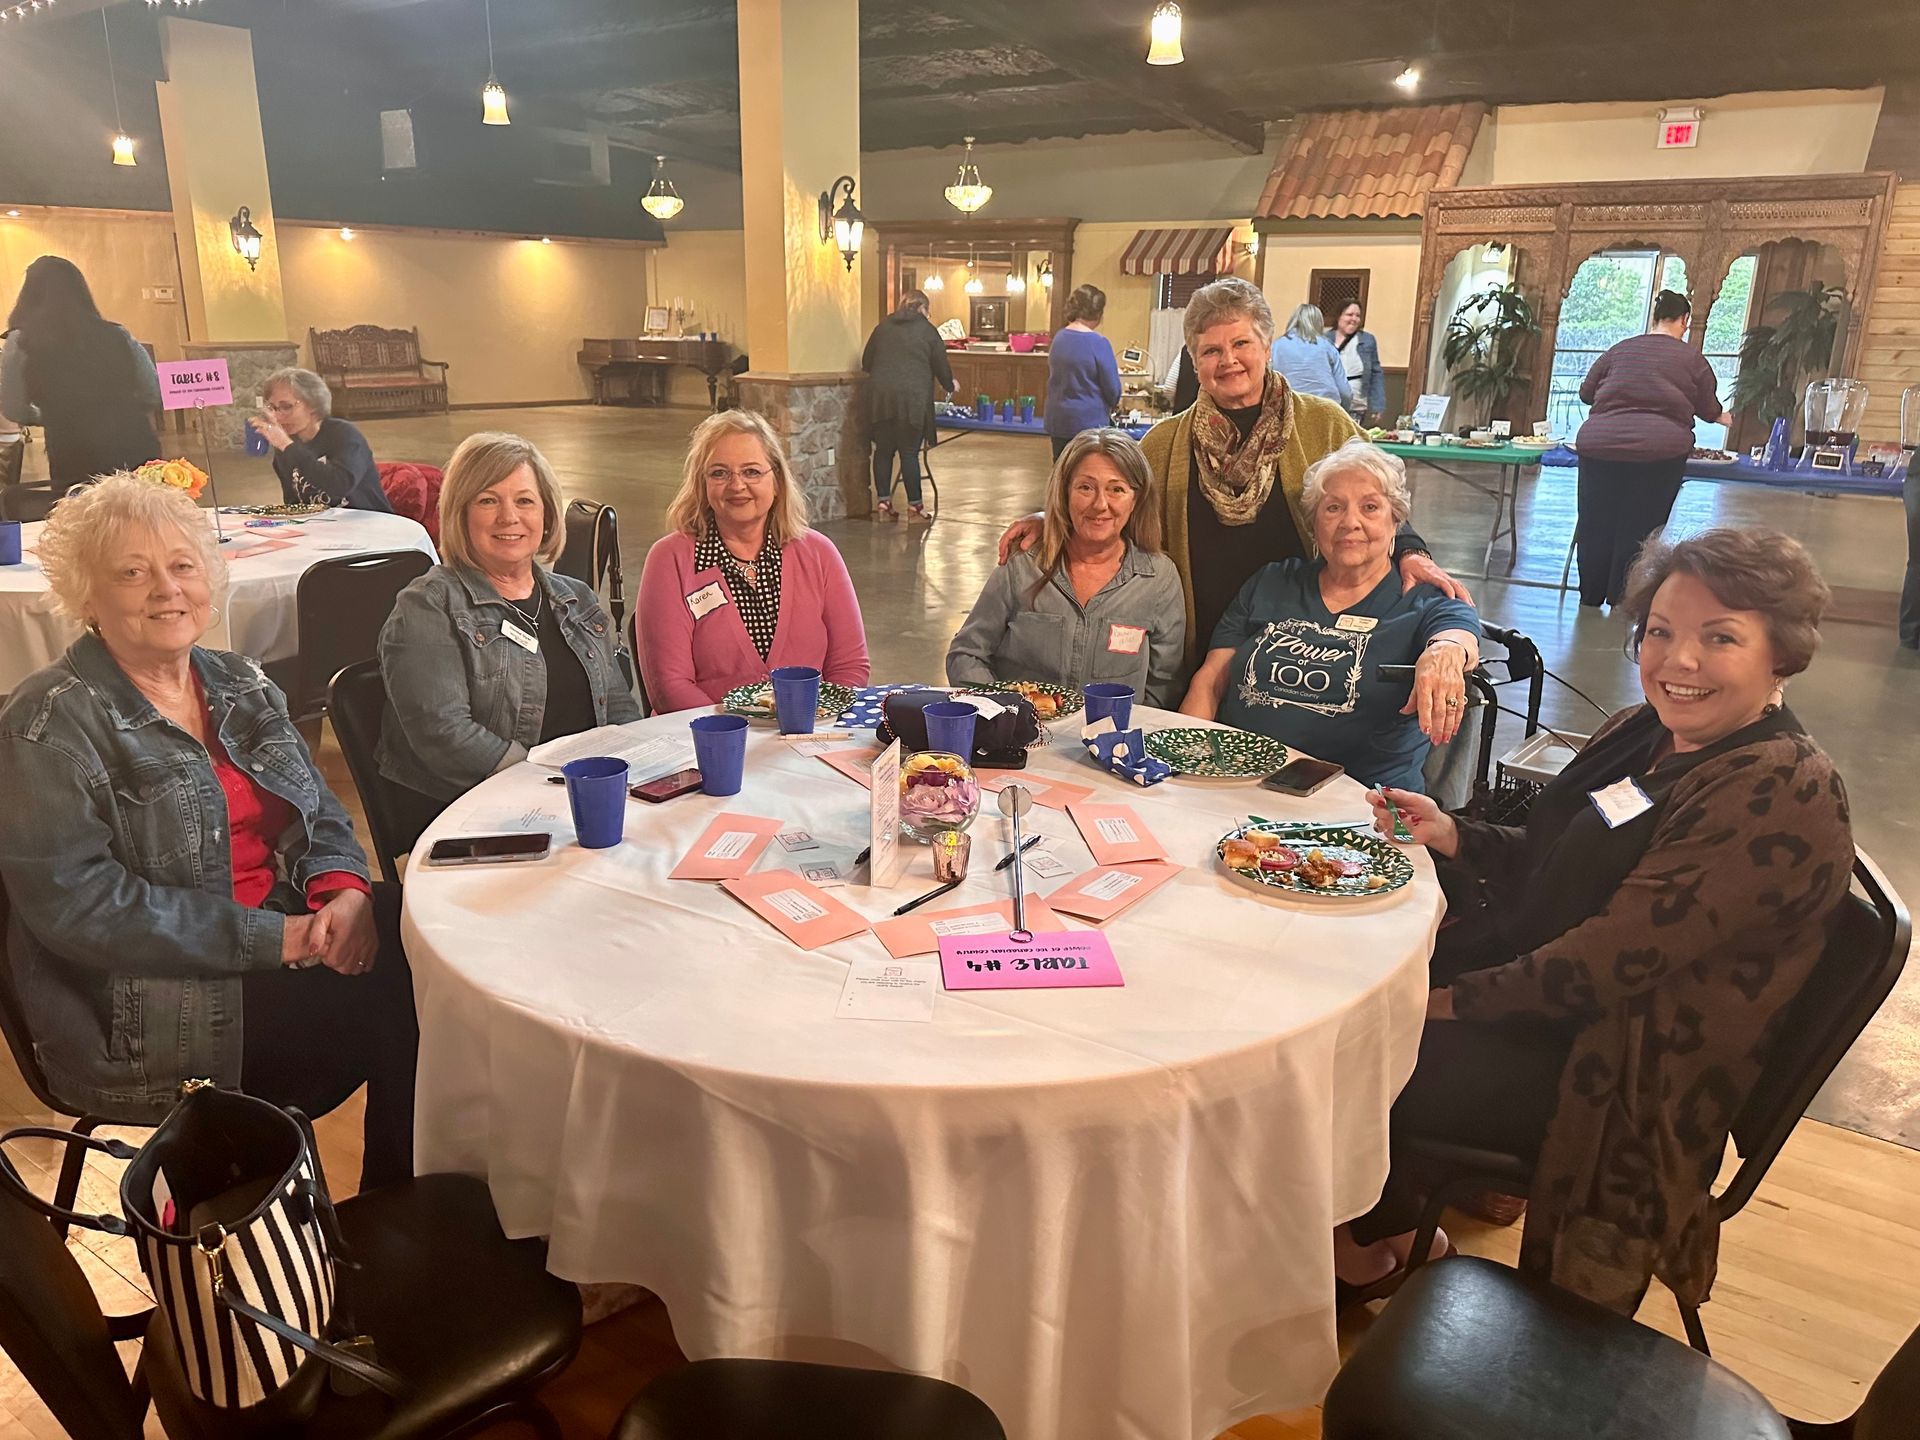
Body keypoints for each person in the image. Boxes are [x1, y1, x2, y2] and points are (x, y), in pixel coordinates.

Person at [1339, 527, 1851, 1315]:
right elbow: (1563, 853)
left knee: (1347, 1046)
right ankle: (1383, 1216)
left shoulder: (1776, 789)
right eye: (1662, 632)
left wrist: (1423, 1006)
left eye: (1721, 638)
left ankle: (1363, 1243)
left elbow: (1596, 967)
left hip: (1610, 1074)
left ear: (1780, 652)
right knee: (1339, 978)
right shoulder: (1649, 731)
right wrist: (1453, 832)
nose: (1678, 661)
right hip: (1550, 1006)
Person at [0, 474, 417, 1186]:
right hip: (150, 1002)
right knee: (409, 1012)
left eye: (181, 565)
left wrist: (343, 890)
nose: (166, 589)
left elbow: (317, 808)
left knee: (427, 939)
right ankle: (335, 1227)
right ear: (87, 597)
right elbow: (81, 908)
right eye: (132, 573)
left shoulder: (236, 680)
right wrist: (273, 938)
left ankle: (398, 1217)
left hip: (281, 934)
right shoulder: (48, 724)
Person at [999, 278, 1466, 685]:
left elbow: (1381, 498)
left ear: (1266, 347)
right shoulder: (1164, 443)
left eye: (1241, 344)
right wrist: (1051, 517)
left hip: (1304, 645)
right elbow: (1114, 501)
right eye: (1211, 350)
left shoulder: (1324, 424)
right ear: (1194, 360)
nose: (1229, 360)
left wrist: (1411, 550)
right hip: (1201, 639)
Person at [1178, 440, 1479, 790]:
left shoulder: (1423, 598)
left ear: (1396, 521)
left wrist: (1444, 654)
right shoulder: (1273, 581)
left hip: (1364, 808)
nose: (1350, 522)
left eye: (1370, 507)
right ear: (1313, 525)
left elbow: (1459, 633)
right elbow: (1210, 681)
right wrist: (1183, 773)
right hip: (1240, 784)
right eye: (1333, 508)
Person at [378, 432, 638, 816]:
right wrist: (548, 785)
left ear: (546, 513)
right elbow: (444, 732)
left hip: (585, 797)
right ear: (460, 513)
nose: (509, 517)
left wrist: (633, 764)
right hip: (484, 813)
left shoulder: (575, 598)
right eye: (487, 501)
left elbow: (616, 704)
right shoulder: (429, 606)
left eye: (524, 501)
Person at [637, 410, 870, 711]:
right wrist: (735, 737)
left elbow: (850, 666)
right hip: (705, 743)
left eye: (751, 472)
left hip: (807, 738)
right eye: (720, 473)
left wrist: (810, 725)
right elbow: (668, 686)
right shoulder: (670, 560)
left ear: (776, 481)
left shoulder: (819, 554)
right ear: (701, 483)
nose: (737, 486)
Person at [947, 428, 1185, 706]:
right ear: (1065, 492)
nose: (1100, 504)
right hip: (1022, 740)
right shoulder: (1024, 564)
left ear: (1137, 499)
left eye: (1117, 489)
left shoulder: (1158, 579)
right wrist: (1004, 715)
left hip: (1112, 744)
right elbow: (966, 654)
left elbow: (1165, 684)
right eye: (1085, 487)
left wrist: (1130, 737)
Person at [1573, 289, 1732, 608]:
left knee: (1595, 520)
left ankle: (1590, 595)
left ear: (1654, 316)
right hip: (1659, 451)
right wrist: (1721, 417)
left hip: (1600, 445)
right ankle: (1621, 597)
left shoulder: (1620, 350)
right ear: (1685, 320)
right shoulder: (1691, 359)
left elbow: (1587, 393)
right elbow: (1706, 406)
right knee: (1639, 524)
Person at [0, 255, 160, 495]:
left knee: (86, 523)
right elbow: (152, 390)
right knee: (143, 518)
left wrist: (54, 414)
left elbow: (14, 408)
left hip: (72, 450)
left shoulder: (20, 342)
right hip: (134, 443)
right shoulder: (118, 334)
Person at [862, 290, 954, 522]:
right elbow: (941, 364)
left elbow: (867, 361)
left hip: (880, 399)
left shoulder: (883, 327)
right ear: (923, 308)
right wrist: (950, 384)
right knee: (909, 453)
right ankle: (915, 507)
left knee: (883, 451)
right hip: (912, 402)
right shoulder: (927, 331)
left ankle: (883, 502)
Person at [249, 367, 392, 512]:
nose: (278, 416)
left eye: (286, 407)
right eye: (273, 408)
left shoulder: (344, 435)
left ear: (313, 404)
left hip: (370, 524)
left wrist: (287, 445)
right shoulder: (287, 446)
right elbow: (294, 503)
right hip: (323, 527)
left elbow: (340, 485)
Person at [1045, 284, 1123, 460]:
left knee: (1062, 472)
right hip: (1088, 422)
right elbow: (1112, 390)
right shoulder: (1098, 343)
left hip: (1058, 419)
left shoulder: (1058, 338)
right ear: (1098, 313)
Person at [1267, 303, 1351, 406]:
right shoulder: (1327, 347)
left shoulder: (1276, 346)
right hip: (1325, 407)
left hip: (1290, 408)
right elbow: (1345, 391)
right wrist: (1344, 412)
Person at [1330, 300, 1386, 423]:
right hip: (1330, 403)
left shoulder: (1367, 340)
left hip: (1357, 404)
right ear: (1339, 316)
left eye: (1358, 316)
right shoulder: (1324, 339)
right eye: (1349, 315)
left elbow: (1376, 374)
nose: (1354, 319)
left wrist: (1378, 405)